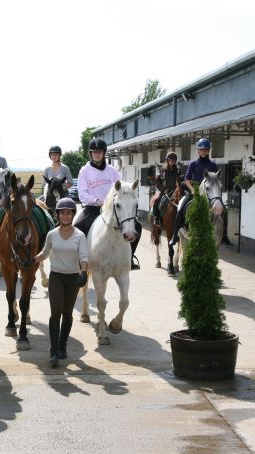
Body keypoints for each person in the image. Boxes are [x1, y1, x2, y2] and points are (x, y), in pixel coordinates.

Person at [34, 197, 88, 368]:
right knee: (55, 313)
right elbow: (44, 253)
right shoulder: (52, 234)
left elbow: (84, 257)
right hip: (56, 277)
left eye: (68, 212)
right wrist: (30, 260)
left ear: (73, 214)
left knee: (68, 314)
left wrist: (84, 272)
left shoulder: (80, 236)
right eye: (62, 213)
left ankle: (63, 345)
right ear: (57, 215)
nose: (65, 215)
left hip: (72, 277)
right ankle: (54, 351)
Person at [74, 137, 142, 270]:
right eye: (94, 152)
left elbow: (121, 189)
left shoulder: (112, 170)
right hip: (92, 208)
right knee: (77, 225)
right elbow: (82, 194)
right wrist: (97, 201)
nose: (97, 154)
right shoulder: (84, 171)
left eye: (99, 152)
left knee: (137, 226)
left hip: (113, 210)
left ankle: (130, 257)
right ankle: (80, 260)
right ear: (91, 154)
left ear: (104, 153)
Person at [169, 137, 219, 246]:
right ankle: (174, 235)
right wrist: (192, 190)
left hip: (209, 192)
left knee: (221, 210)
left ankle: (223, 236)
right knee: (181, 208)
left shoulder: (213, 165)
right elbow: (186, 179)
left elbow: (215, 181)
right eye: (201, 149)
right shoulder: (193, 164)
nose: (204, 151)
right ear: (198, 151)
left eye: (206, 149)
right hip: (194, 191)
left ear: (208, 150)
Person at [151, 152, 180, 225]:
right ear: (167, 160)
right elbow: (157, 182)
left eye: (173, 160)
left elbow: (180, 180)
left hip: (175, 191)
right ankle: (157, 217)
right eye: (170, 160)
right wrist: (163, 189)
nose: (171, 161)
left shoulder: (177, 170)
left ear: (175, 161)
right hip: (165, 191)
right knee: (156, 201)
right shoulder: (162, 170)